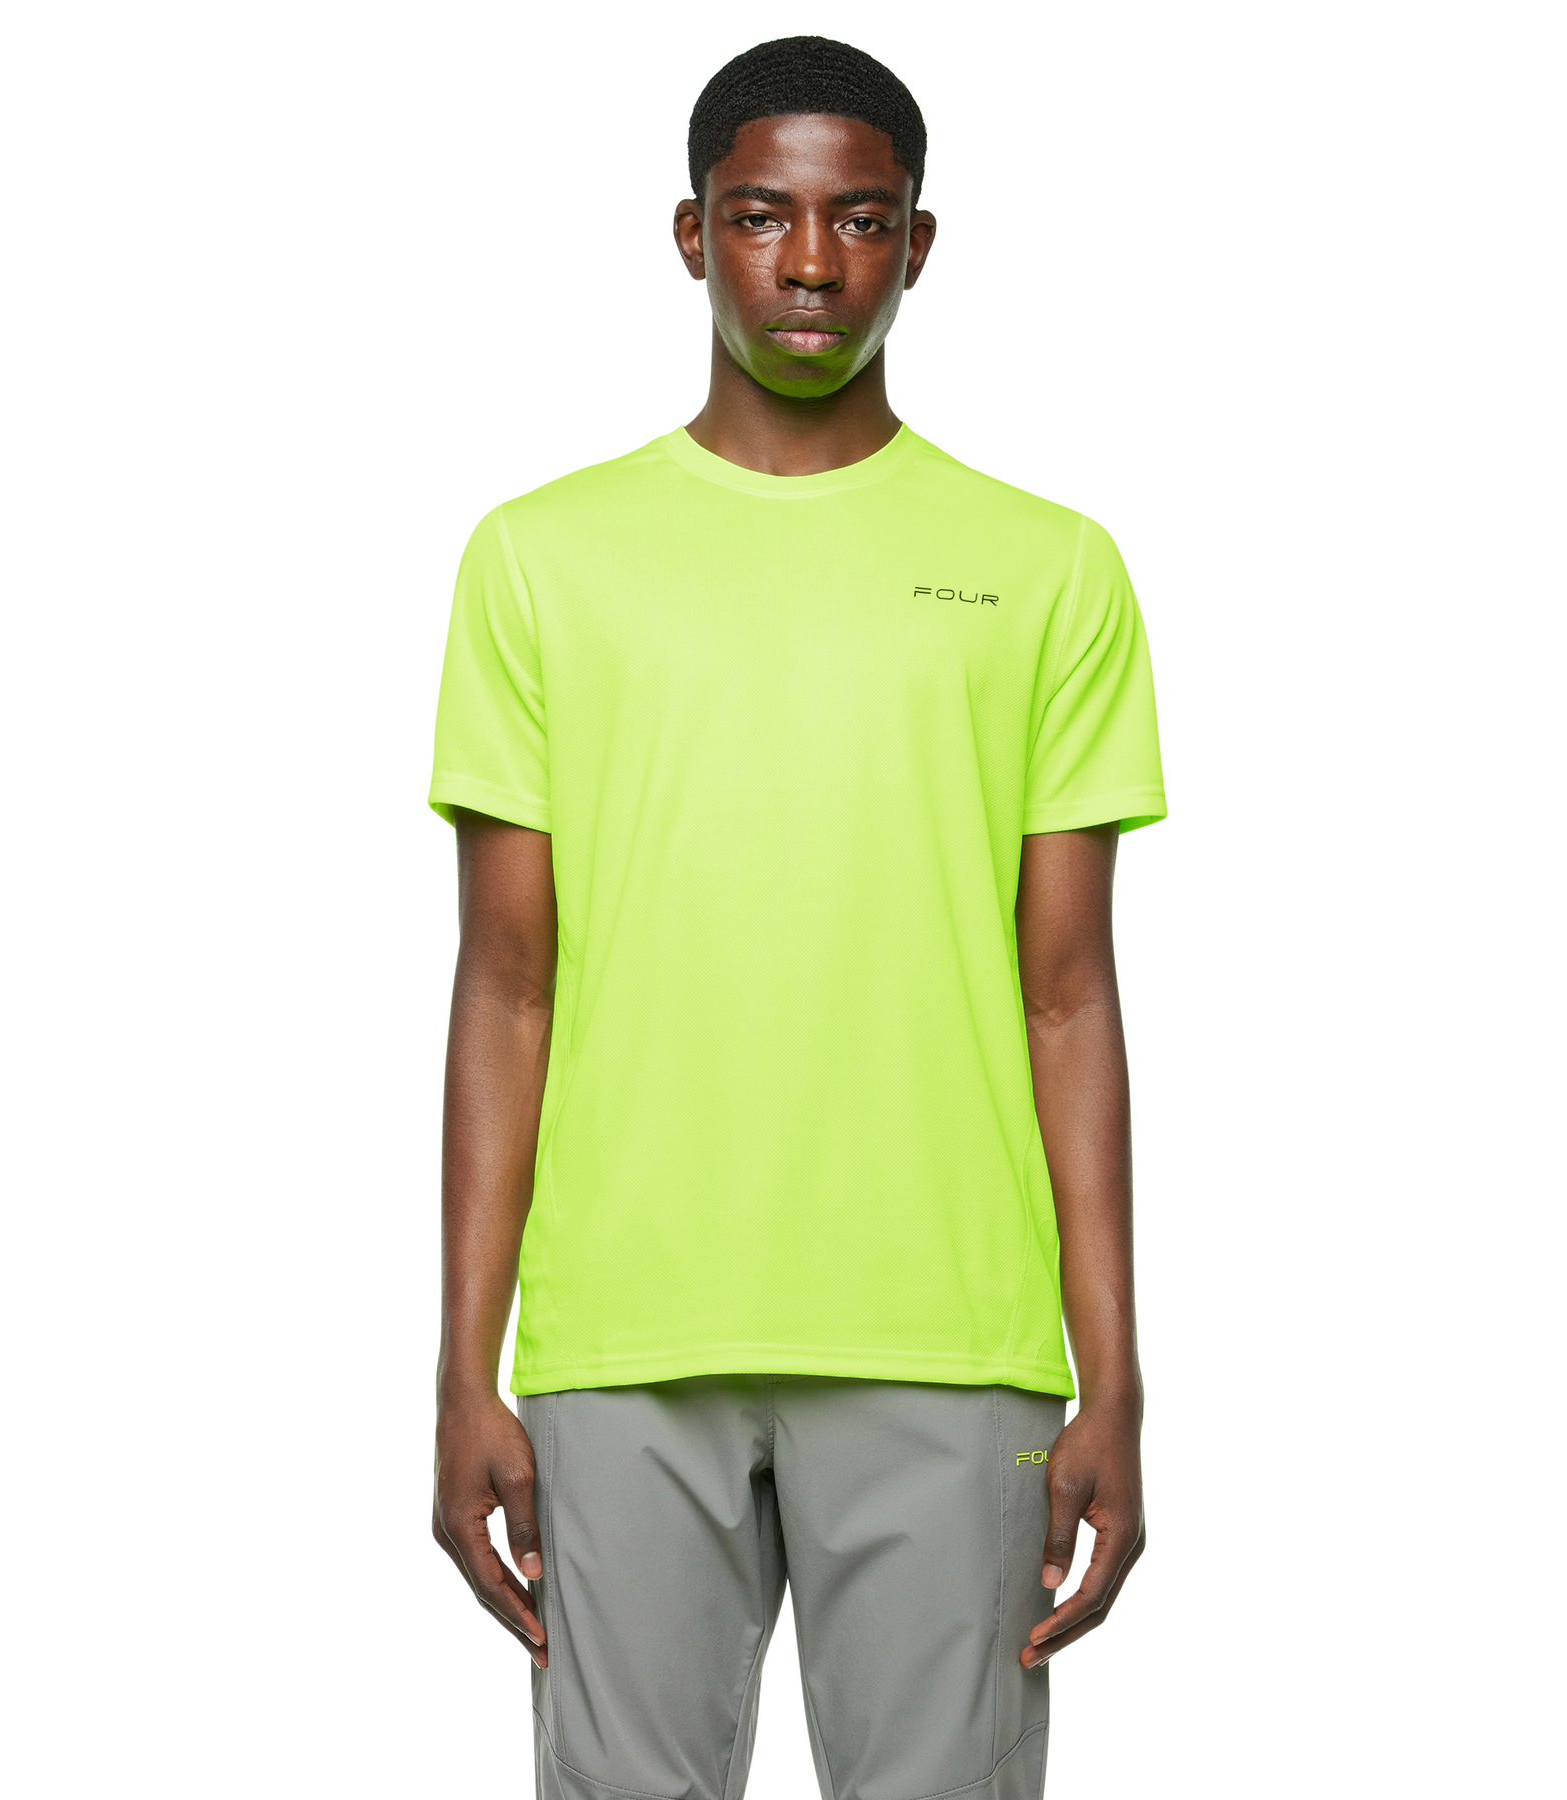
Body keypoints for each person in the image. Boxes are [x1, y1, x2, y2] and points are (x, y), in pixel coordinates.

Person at [425, 26, 1169, 1800]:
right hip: (624, 1337)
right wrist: (464, 1371)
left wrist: (1113, 1378)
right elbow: (506, 988)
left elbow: (1069, 995)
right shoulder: (538, 555)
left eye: (861, 217)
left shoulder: (1053, 566)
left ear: (922, 243)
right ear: (693, 234)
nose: (813, 263)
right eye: (763, 214)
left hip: (953, 1337)